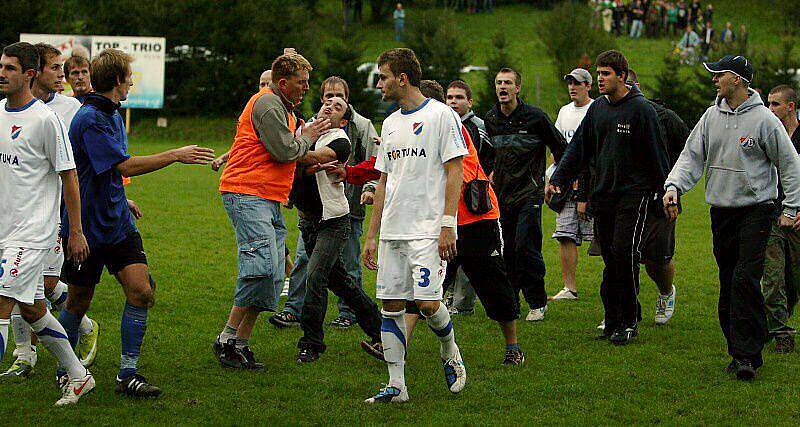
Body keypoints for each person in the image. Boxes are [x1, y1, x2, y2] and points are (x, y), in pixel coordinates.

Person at [60, 48, 215, 397]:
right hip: (86, 229)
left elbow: (105, 173)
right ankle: (65, 366)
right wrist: (175, 154)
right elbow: (124, 166)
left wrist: (122, 199)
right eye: (129, 76)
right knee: (78, 301)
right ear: (117, 80)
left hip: (116, 224)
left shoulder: (111, 113)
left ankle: (127, 374)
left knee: (142, 291)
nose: (132, 81)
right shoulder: (90, 118)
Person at [663, 55, 800, 380]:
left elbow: (790, 163)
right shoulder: (711, 117)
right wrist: (673, 186)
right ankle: (738, 347)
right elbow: (691, 156)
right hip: (721, 211)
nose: (713, 80)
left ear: (737, 79)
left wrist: (792, 207)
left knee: (744, 278)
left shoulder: (765, 121)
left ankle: (747, 355)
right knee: (728, 280)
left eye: (719, 74)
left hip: (757, 210)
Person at [212, 52, 331, 370]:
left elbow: (292, 153)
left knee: (275, 272)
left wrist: (322, 157)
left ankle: (238, 343)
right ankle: (226, 341)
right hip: (246, 192)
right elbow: (285, 151)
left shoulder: (285, 108)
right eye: (301, 82)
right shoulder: (267, 103)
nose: (306, 88)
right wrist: (308, 138)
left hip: (267, 197)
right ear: (283, 83)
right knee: (261, 267)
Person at [362, 48, 467, 404]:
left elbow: (456, 171)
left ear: (402, 78)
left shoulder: (442, 116)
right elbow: (383, 182)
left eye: (383, 77)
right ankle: (397, 385)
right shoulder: (390, 123)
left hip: (427, 229)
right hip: (393, 230)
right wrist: (372, 235)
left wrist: (448, 224)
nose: (379, 84)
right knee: (390, 305)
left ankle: (450, 350)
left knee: (426, 303)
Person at [549, 50, 671, 346]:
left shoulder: (642, 110)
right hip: (603, 196)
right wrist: (559, 178)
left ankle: (629, 321)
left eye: (606, 74)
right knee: (610, 258)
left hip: (634, 195)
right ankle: (612, 318)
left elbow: (658, 156)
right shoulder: (599, 109)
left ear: (623, 76)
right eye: (599, 73)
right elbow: (579, 147)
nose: (600, 79)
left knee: (625, 254)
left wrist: (665, 194)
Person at [403, 79, 524, 365]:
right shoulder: (414, 129)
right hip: (439, 222)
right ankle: (397, 348)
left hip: (475, 219)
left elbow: (461, 172)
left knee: (494, 287)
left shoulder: (451, 128)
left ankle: (513, 347)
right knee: (422, 284)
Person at [0, 41, 94, 406]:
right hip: (5, 229)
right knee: (34, 308)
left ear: (29, 74)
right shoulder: (0, 113)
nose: (2, 73)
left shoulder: (44, 119)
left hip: (33, 232)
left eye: (9, 68)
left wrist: (76, 230)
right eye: (1, 66)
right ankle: (78, 376)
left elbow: (70, 176)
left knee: (3, 304)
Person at [290, 97, 383, 363]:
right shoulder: (302, 131)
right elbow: (296, 161)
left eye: (338, 106)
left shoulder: (340, 140)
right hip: (308, 222)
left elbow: (308, 158)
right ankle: (380, 330)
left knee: (315, 276)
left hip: (333, 221)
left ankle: (311, 343)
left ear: (343, 120)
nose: (330, 106)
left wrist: (291, 152)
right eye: (327, 102)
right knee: (342, 283)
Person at [485, 67, 566, 322]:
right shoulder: (491, 119)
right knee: (506, 250)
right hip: (501, 197)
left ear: (517, 88)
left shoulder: (535, 118)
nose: (503, 87)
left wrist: (556, 180)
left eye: (508, 83)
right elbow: (486, 156)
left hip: (529, 194)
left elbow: (561, 148)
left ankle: (537, 301)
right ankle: (511, 303)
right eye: (499, 83)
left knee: (526, 247)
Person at [625, 68, 688, 325]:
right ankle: (625, 311)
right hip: (625, 197)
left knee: (656, 258)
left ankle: (665, 291)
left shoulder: (665, 118)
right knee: (623, 255)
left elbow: (689, 154)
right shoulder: (607, 114)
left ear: (636, 85)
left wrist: (673, 186)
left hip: (661, 198)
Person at [444, 79, 495, 314]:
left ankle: (464, 303)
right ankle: (449, 296)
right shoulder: (445, 125)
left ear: (470, 102)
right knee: (452, 253)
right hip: (451, 198)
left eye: (459, 98)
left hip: (474, 198)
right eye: (450, 97)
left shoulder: (476, 127)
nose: (453, 102)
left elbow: (485, 158)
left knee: (471, 254)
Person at [548, 68, 594, 302]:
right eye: (569, 83)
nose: (572, 87)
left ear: (588, 85)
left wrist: (584, 182)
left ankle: (618, 282)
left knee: (601, 238)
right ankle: (569, 287)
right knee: (564, 234)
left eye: (577, 83)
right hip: (566, 185)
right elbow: (558, 149)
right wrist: (551, 177)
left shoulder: (596, 110)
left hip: (592, 185)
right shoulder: (564, 112)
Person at [761, 84, 800, 353]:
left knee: (794, 279)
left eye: (775, 104)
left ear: (791, 107)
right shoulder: (768, 136)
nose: (770, 109)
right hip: (773, 215)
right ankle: (781, 333)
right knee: (773, 278)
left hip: (797, 219)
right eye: (768, 104)